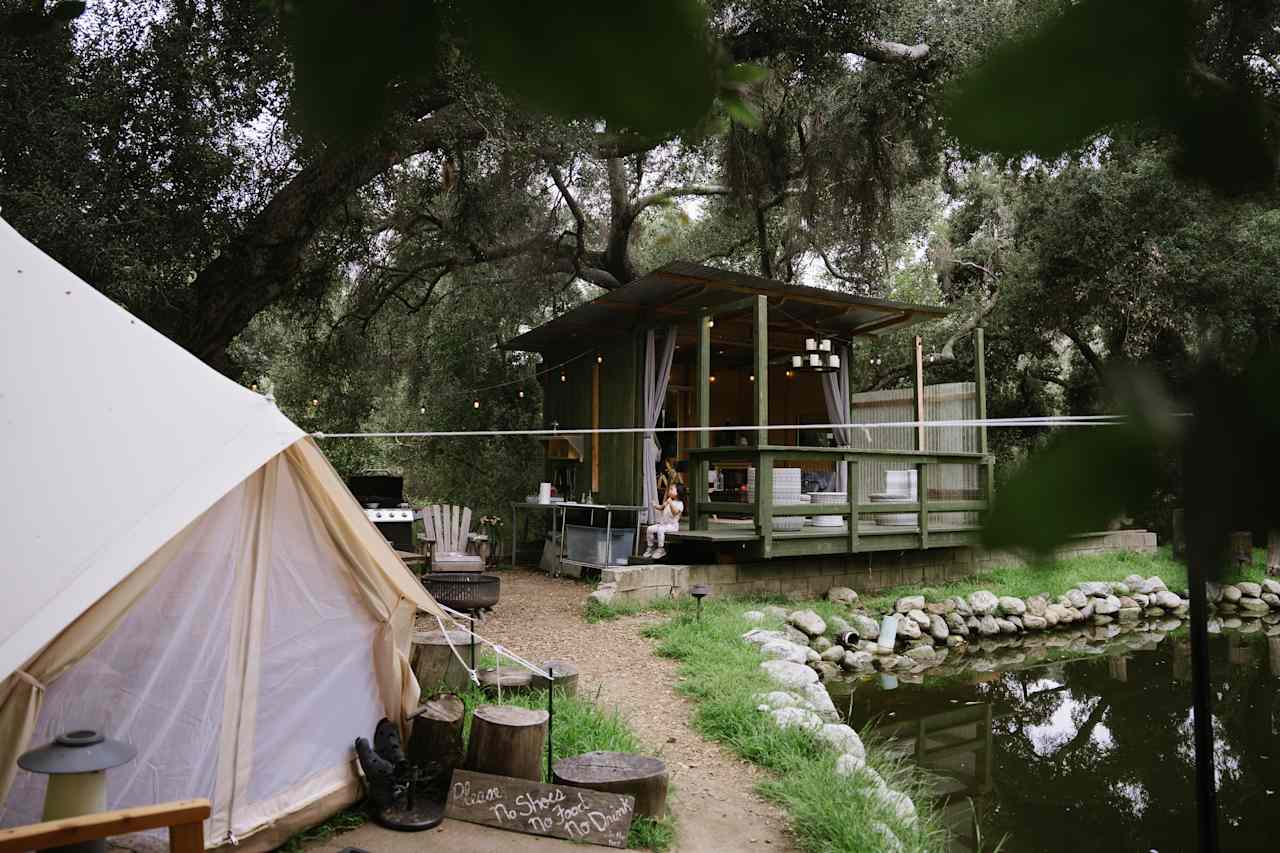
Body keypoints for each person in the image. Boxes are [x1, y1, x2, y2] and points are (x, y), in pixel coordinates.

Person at [642, 483, 684, 560]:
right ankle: (650, 547)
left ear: (678, 492)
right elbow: (661, 507)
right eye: (670, 489)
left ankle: (661, 549)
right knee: (649, 529)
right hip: (663, 524)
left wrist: (670, 503)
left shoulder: (680, 504)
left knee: (660, 530)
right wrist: (655, 505)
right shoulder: (668, 501)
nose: (669, 491)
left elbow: (675, 513)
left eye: (672, 489)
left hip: (672, 526)